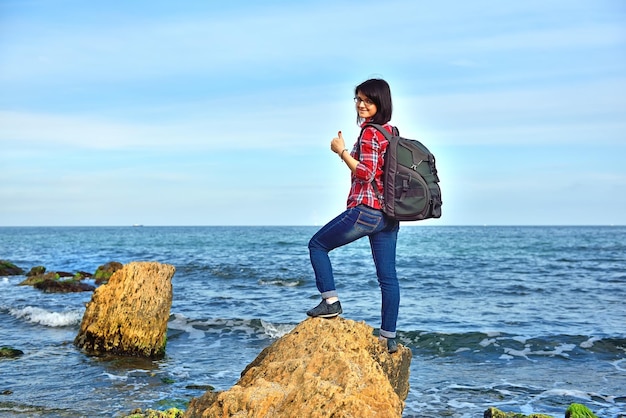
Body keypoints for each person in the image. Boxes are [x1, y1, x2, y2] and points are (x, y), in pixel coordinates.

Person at [306, 78, 401, 354]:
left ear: (380, 103)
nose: (361, 104)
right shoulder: (390, 132)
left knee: (317, 245)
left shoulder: (371, 134)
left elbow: (366, 173)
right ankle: (388, 337)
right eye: (358, 99)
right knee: (388, 278)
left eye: (368, 101)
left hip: (367, 210)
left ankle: (331, 302)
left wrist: (342, 152)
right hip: (389, 216)